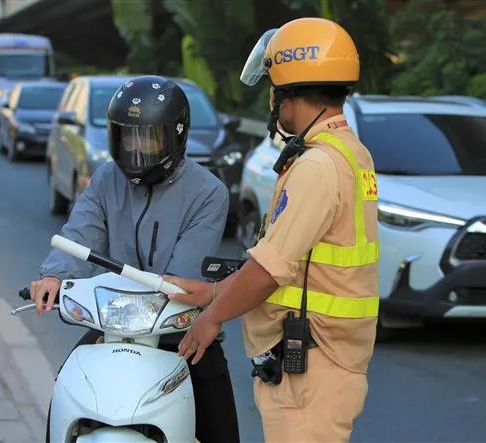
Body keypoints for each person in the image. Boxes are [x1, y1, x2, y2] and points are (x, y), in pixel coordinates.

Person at [163, 17, 380, 443]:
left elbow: (269, 270)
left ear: (286, 91)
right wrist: (212, 292)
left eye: (273, 89)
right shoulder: (348, 152)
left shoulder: (317, 166)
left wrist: (211, 318)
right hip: (325, 357)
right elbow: (294, 261)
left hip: (312, 365)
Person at [30, 75, 240, 443]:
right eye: (127, 137)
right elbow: (80, 233)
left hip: (179, 329)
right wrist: (54, 277)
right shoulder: (106, 178)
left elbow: (183, 277)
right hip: (117, 324)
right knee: (65, 391)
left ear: (176, 136)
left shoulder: (209, 192)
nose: (136, 150)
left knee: (219, 420)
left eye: (148, 138)